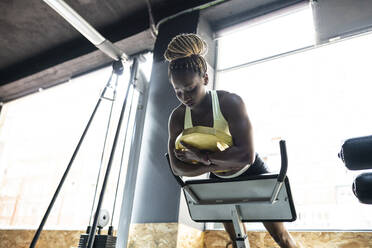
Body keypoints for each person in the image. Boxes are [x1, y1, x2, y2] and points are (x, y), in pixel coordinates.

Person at [165, 33, 299, 248]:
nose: (185, 96)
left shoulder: (230, 102)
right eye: (178, 91)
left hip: (253, 173)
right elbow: (177, 167)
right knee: (237, 240)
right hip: (219, 177)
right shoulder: (178, 117)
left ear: (205, 79)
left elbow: (246, 156)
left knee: (280, 237)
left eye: (190, 88)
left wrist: (201, 158)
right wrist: (219, 161)